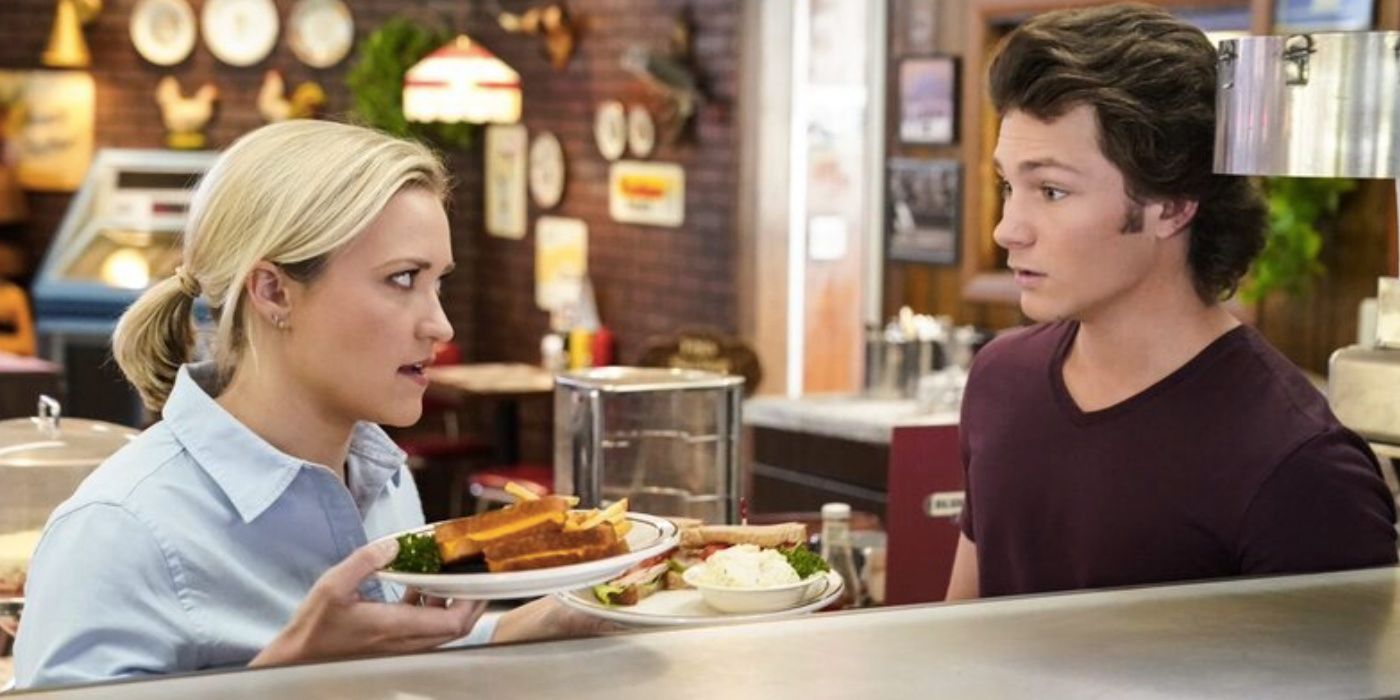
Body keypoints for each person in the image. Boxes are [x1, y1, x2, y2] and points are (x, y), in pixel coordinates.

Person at [14, 120, 607, 689]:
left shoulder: (383, 477)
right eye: (402, 279)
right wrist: (289, 676)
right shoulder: (120, 528)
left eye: (438, 282)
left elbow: (403, 665)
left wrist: (557, 617)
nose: (441, 325)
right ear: (273, 290)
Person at [946, 3, 1397, 601]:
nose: (1008, 229)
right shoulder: (1001, 379)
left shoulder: (1298, 465)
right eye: (1010, 185)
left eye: (1051, 190)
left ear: (1175, 205)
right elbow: (959, 631)